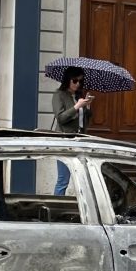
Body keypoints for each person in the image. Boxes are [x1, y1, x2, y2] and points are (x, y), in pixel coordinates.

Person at [52, 66, 94, 195]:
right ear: (67, 80)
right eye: (75, 80)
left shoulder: (77, 96)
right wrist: (77, 106)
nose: (78, 84)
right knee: (63, 179)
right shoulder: (59, 95)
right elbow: (61, 118)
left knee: (82, 178)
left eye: (80, 81)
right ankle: (56, 208)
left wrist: (87, 106)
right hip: (64, 141)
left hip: (80, 140)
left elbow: (83, 120)